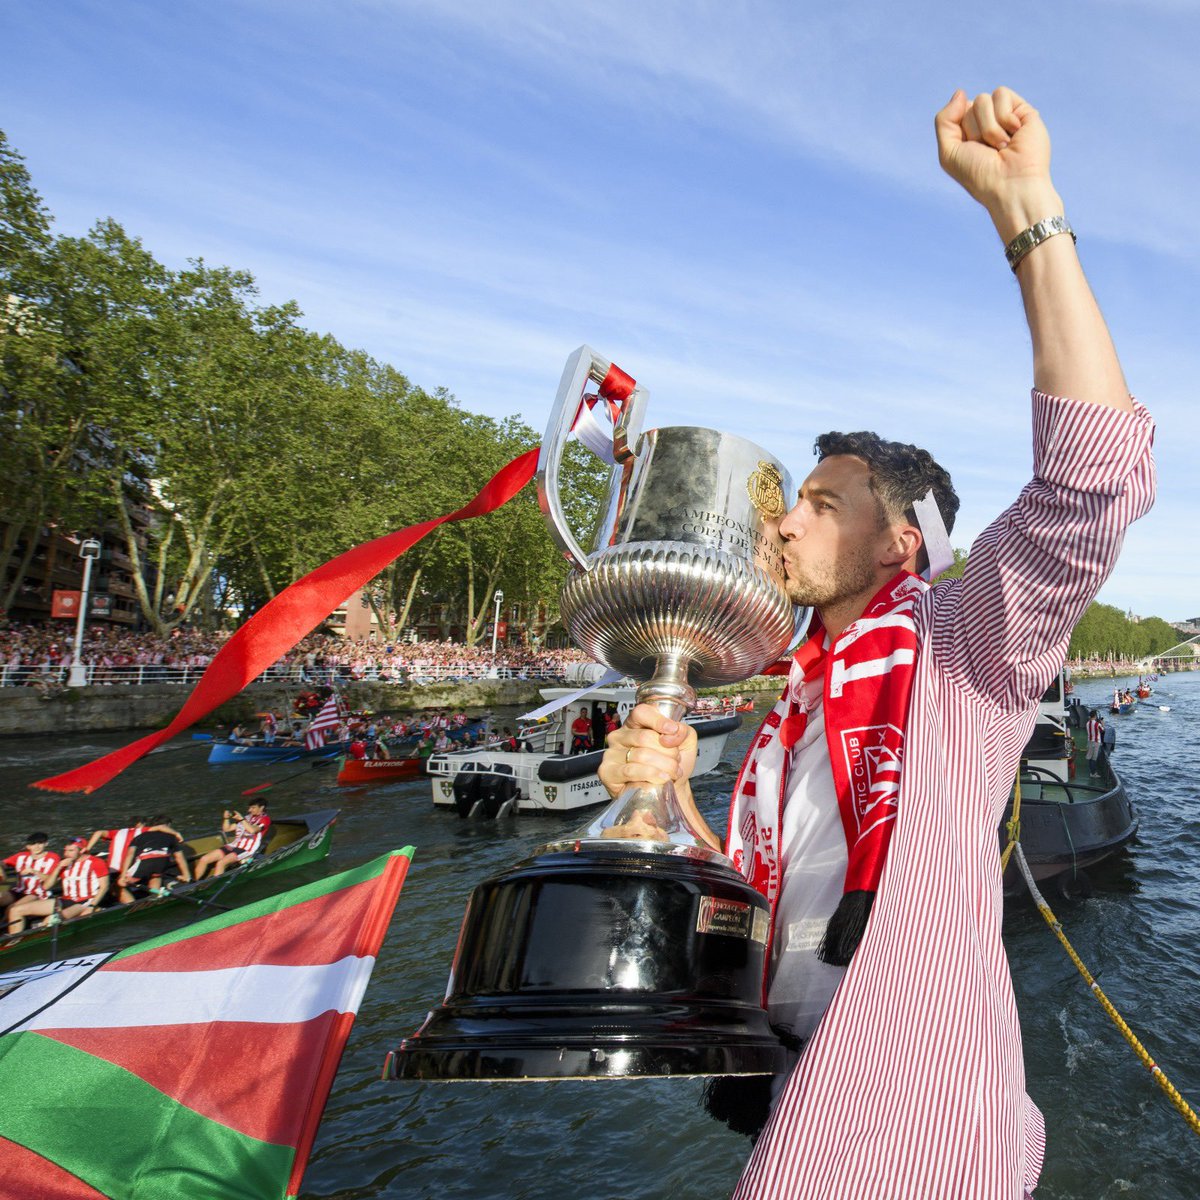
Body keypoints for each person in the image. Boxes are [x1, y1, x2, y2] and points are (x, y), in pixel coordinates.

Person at [597, 86, 1155, 1198]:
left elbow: (1093, 477)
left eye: (817, 500)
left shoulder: (961, 652)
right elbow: (780, 893)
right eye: (785, 501)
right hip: (795, 1092)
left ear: (901, 543)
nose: (781, 521)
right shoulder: (796, 700)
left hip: (915, 1127)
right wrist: (666, 807)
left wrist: (1024, 210)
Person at [6, 838, 109, 933]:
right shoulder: (64, 863)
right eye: (65, 850)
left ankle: (96, 909)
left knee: (50, 921)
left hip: (84, 902)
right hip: (65, 900)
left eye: (71, 851)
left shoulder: (96, 862)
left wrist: (91, 906)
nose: (67, 854)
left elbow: (104, 887)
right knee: (15, 910)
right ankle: (12, 942)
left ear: (81, 851)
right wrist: (59, 867)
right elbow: (46, 886)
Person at [192, 802, 272, 881]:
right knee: (204, 859)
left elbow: (252, 830)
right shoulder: (247, 817)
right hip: (233, 845)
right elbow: (227, 829)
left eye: (253, 807)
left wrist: (241, 819)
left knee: (221, 863)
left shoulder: (265, 819)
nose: (250, 810)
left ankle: (214, 886)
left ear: (261, 808)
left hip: (246, 849)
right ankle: (192, 886)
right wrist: (226, 819)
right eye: (249, 808)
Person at [118, 816, 191, 901]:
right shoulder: (171, 837)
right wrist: (186, 876)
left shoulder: (139, 836)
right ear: (168, 825)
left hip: (146, 861)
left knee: (119, 883)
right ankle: (155, 896)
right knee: (155, 875)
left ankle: (128, 902)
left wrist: (123, 877)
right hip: (162, 863)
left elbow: (129, 855)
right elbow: (179, 857)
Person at [86, 816, 146, 903]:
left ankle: (112, 891)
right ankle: (130, 902)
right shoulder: (143, 830)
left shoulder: (118, 832)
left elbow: (98, 833)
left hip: (111, 871)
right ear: (139, 824)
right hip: (128, 872)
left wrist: (87, 849)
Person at [1, 833, 59, 920]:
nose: (37, 847)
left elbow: (50, 880)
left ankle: (3, 925)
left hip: (37, 893)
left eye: (40, 843)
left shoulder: (53, 858)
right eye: (33, 844)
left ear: (46, 844)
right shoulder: (20, 856)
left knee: (12, 908)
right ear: (28, 846)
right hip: (19, 891)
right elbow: (3, 863)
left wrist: (34, 871)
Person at [1086, 708, 1104, 777]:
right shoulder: (1097, 724)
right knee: (1094, 758)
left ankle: (1091, 772)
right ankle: (1093, 773)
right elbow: (1102, 731)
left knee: (1090, 757)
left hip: (1089, 741)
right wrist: (1102, 724)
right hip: (1096, 742)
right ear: (1095, 716)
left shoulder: (1087, 723)